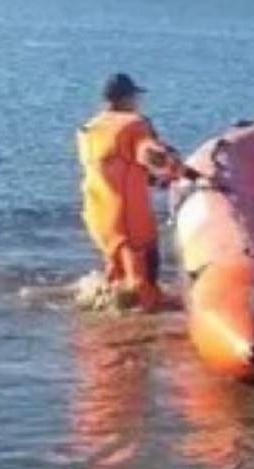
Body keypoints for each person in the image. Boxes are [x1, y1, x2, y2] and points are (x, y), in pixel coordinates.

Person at [76, 73, 183, 310]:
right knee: (142, 282)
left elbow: (116, 167)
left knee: (115, 275)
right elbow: (151, 155)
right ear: (126, 99)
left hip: (98, 217)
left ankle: (103, 334)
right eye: (135, 97)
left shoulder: (89, 128)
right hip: (129, 220)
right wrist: (178, 169)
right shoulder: (132, 126)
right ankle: (142, 331)